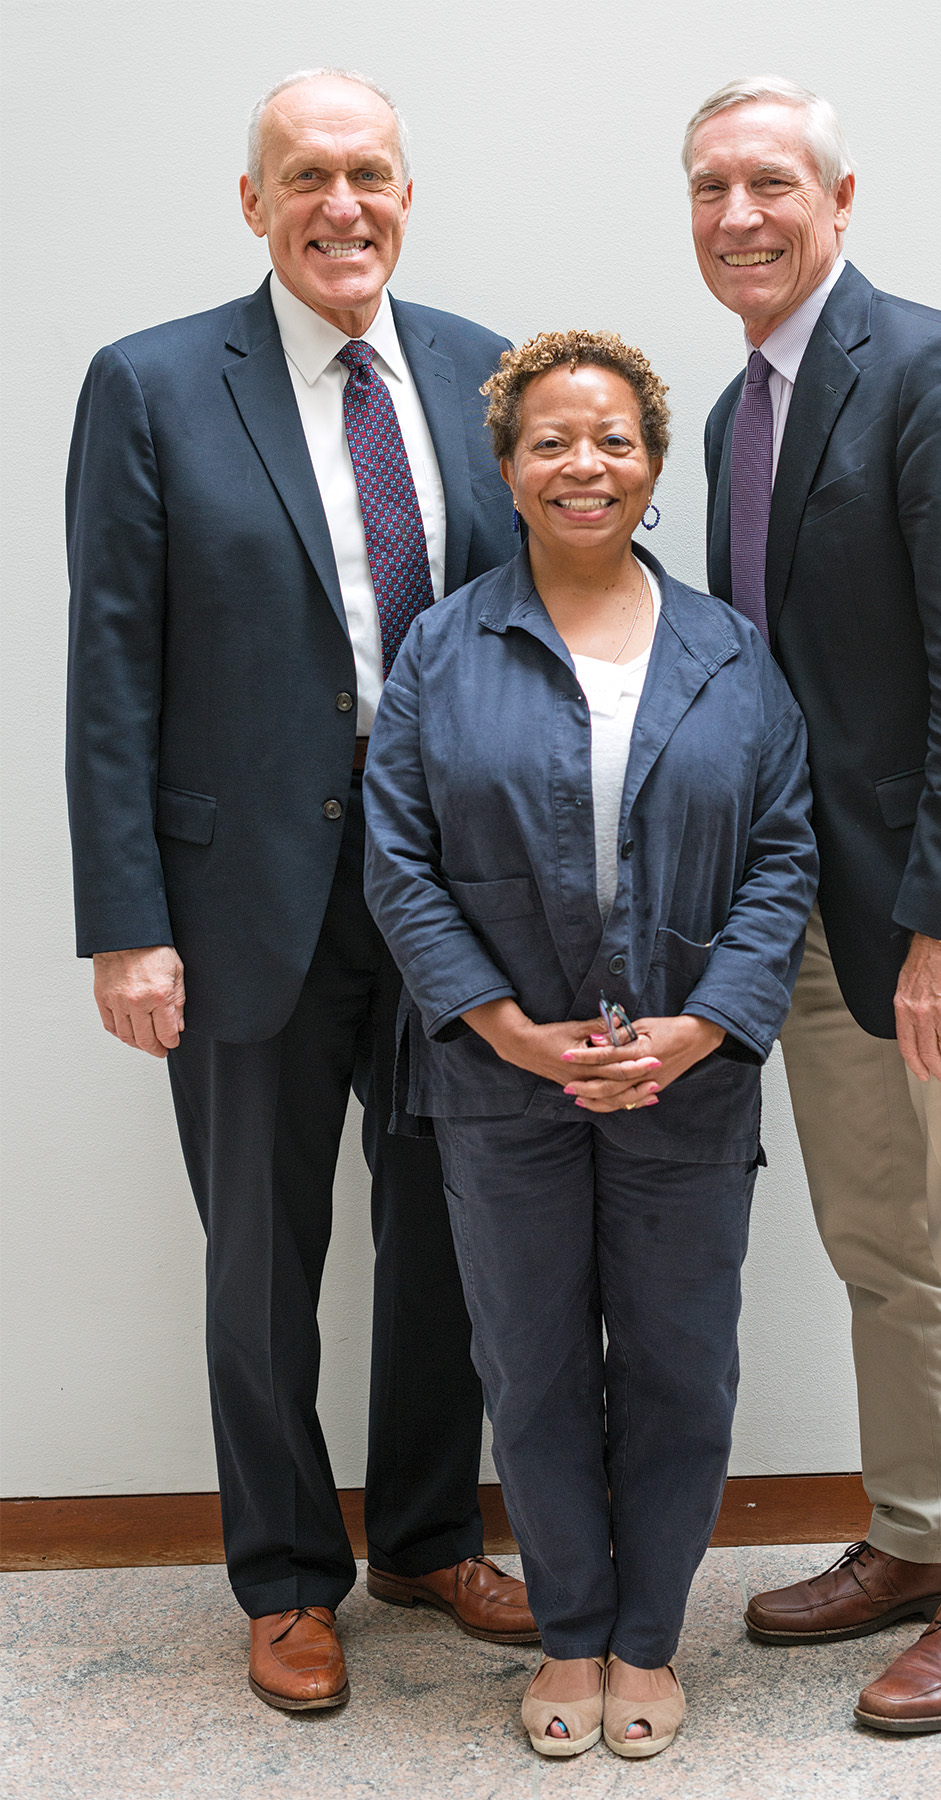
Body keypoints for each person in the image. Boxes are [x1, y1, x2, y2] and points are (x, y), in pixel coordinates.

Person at [64, 67, 536, 1712]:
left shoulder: (488, 373)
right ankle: (282, 1574)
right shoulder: (149, 385)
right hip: (241, 900)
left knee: (455, 1236)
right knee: (258, 1256)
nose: (347, 204)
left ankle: (421, 1529)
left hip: (455, 899)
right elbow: (112, 668)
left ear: (408, 194)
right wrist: (126, 919)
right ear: (252, 202)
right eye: (311, 175)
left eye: (375, 173)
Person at [686, 76, 941, 1734]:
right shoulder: (731, 419)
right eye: (711, 186)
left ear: (839, 199)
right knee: (879, 1247)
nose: (741, 215)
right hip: (813, 917)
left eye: (772, 183)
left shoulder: (936, 372)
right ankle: (920, 1536)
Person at [363, 330, 818, 1758]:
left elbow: (785, 854)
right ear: (505, 468)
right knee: (535, 1362)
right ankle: (568, 1633)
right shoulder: (445, 646)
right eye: (552, 440)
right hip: (501, 1086)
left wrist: (699, 1028)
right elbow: (399, 859)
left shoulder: (730, 647)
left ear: (652, 465)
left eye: (613, 439)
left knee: (682, 1362)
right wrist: (503, 1029)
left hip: (690, 1079)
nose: (585, 464)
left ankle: (646, 1638)